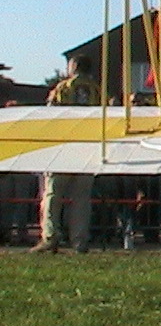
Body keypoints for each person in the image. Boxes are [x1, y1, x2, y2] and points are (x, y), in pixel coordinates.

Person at [30, 55, 100, 253]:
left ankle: (50, 237)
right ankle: (80, 241)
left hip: (64, 148)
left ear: (74, 67)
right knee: (82, 198)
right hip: (87, 148)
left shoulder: (63, 88)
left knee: (53, 194)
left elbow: (51, 114)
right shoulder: (97, 91)